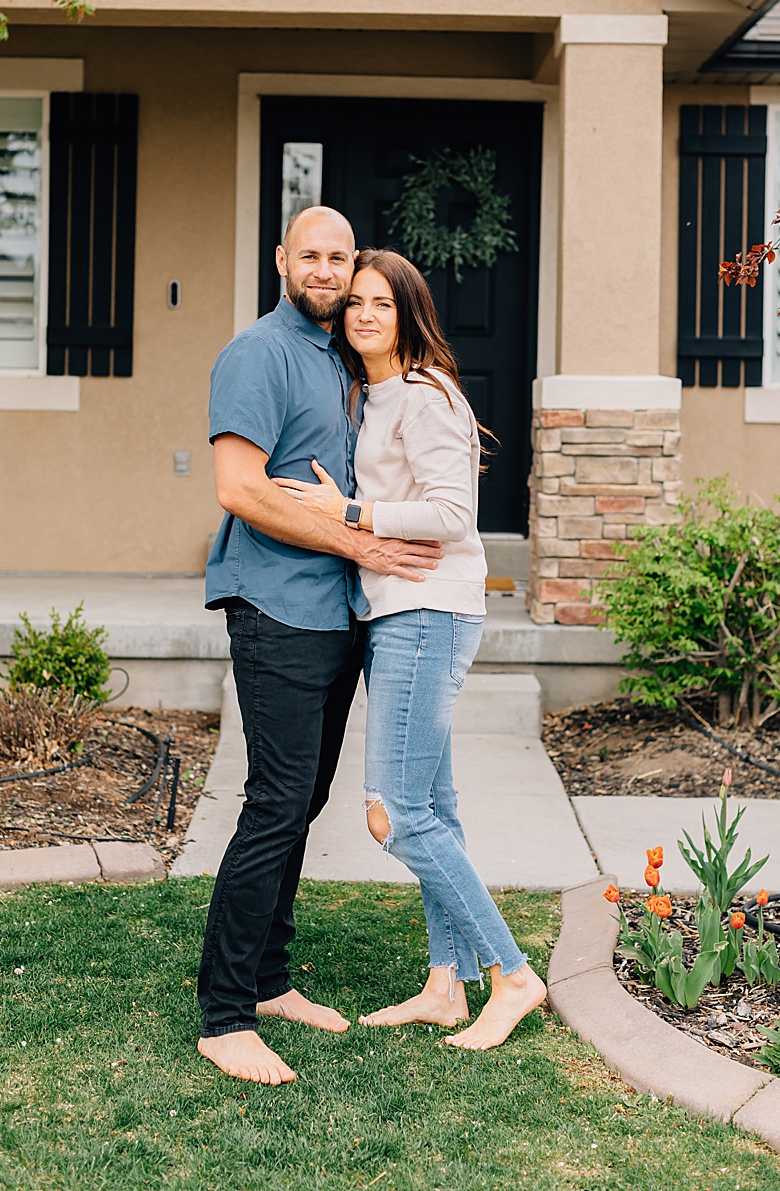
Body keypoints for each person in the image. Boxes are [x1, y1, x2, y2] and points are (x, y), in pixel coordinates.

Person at [276, 248, 546, 1050]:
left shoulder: (426, 396)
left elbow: (454, 516)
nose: (362, 313)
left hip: (427, 614)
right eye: (355, 301)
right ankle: (442, 985)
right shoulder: (381, 394)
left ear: (408, 314)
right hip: (403, 614)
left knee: (393, 816)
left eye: (381, 304)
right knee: (438, 812)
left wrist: (350, 513)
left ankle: (512, 975)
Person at [197, 207, 443, 1086]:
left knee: (299, 805)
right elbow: (239, 487)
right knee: (274, 804)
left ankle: (268, 982)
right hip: (275, 610)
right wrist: (360, 546)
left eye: (340, 257)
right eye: (312, 255)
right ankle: (225, 1016)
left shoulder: (339, 356)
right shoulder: (257, 353)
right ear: (282, 260)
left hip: (336, 615)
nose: (328, 270)